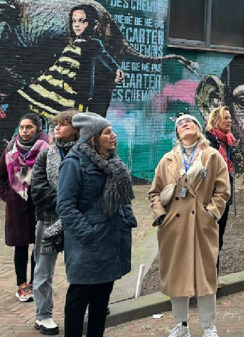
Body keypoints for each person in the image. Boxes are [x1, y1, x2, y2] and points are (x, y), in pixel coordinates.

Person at [149, 114, 230, 337]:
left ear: (198, 128)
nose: (185, 125)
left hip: (201, 226)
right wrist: (161, 216)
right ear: (177, 134)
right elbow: (154, 192)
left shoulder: (212, 156)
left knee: (205, 276)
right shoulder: (167, 160)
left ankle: (208, 326)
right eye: (180, 124)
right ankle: (180, 325)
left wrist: (210, 213)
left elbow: (223, 190)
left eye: (190, 122)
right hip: (173, 228)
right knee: (177, 276)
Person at [57, 112, 135, 337]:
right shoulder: (74, 163)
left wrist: (127, 219)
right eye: (107, 132)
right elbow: (65, 206)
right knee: (79, 297)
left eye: (112, 131)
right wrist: (89, 234)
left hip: (111, 241)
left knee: (102, 300)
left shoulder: (114, 162)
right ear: (93, 136)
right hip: (87, 245)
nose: (113, 136)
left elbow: (123, 197)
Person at [0, 6, 124, 140]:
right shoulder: (71, 43)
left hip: (66, 93)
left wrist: (116, 70)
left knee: (58, 128)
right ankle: (5, 139)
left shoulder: (94, 44)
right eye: (74, 21)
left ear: (93, 25)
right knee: (19, 101)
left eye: (82, 21)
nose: (77, 25)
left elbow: (106, 59)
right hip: (49, 85)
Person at [30, 109, 79, 335]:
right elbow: (38, 191)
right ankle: (43, 315)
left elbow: (88, 189)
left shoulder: (84, 154)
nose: (57, 128)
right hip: (49, 219)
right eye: (55, 125)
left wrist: (72, 207)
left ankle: (86, 307)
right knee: (43, 269)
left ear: (76, 129)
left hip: (77, 221)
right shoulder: (44, 155)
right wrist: (67, 203)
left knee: (80, 267)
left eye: (63, 124)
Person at [1, 112, 49, 304]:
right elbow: (1, 176)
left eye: (29, 127)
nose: (25, 131)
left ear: (38, 129)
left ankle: (35, 282)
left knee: (38, 247)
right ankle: (22, 285)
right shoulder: (10, 148)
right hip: (17, 205)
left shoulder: (47, 149)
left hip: (39, 205)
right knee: (20, 246)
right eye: (22, 127)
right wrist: (8, 195)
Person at [203, 106, 236, 273]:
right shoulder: (207, 141)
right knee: (209, 238)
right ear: (216, 120)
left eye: (230, 117)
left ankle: (213, 276)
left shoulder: (228, 140)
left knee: (219, 238)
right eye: (226, 118)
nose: (230, 120)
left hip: (225, 197)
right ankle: (207, 277)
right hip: (211, 198)